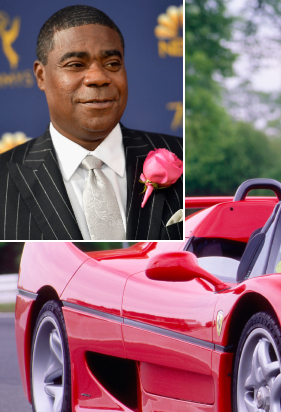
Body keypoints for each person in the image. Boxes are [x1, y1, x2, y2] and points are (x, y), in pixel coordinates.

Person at [0, 5, 182, 240]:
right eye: (76, 64)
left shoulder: (179, 155)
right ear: (41, 76)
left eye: (112, 63)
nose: (98, 77)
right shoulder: (5, 178)